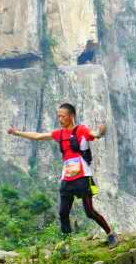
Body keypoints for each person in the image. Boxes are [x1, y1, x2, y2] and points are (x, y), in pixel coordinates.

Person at [8, 103, 118, 248]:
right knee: (63, 213)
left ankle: (110, 233)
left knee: (90, 212)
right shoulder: (59, 134)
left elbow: (95, 134)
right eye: (58, 116)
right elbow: (38, 136)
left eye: (63, 116)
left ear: (71, 116)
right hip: (67, 178)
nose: (60, 119)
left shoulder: (81, 130)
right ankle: (67, 245)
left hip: (83, 177)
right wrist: (16, 132)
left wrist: (101, 132)